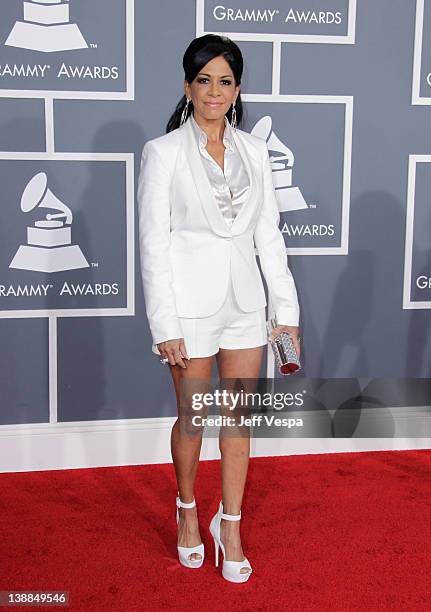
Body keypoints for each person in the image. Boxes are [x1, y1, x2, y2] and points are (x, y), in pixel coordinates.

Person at [137, 34, 301, 583]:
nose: (214, 91)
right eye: (203, 80)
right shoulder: (162, 154)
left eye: (225, 81)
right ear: (187, 88)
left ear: (236, 89)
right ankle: (187, 511)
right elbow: (153, 243)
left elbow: (269, 238)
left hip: (246, 309)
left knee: (238, 421)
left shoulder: (255, 150)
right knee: (193, 418)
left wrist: (287, 314)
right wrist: (165, 323)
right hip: (188, 311)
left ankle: (228, 524)